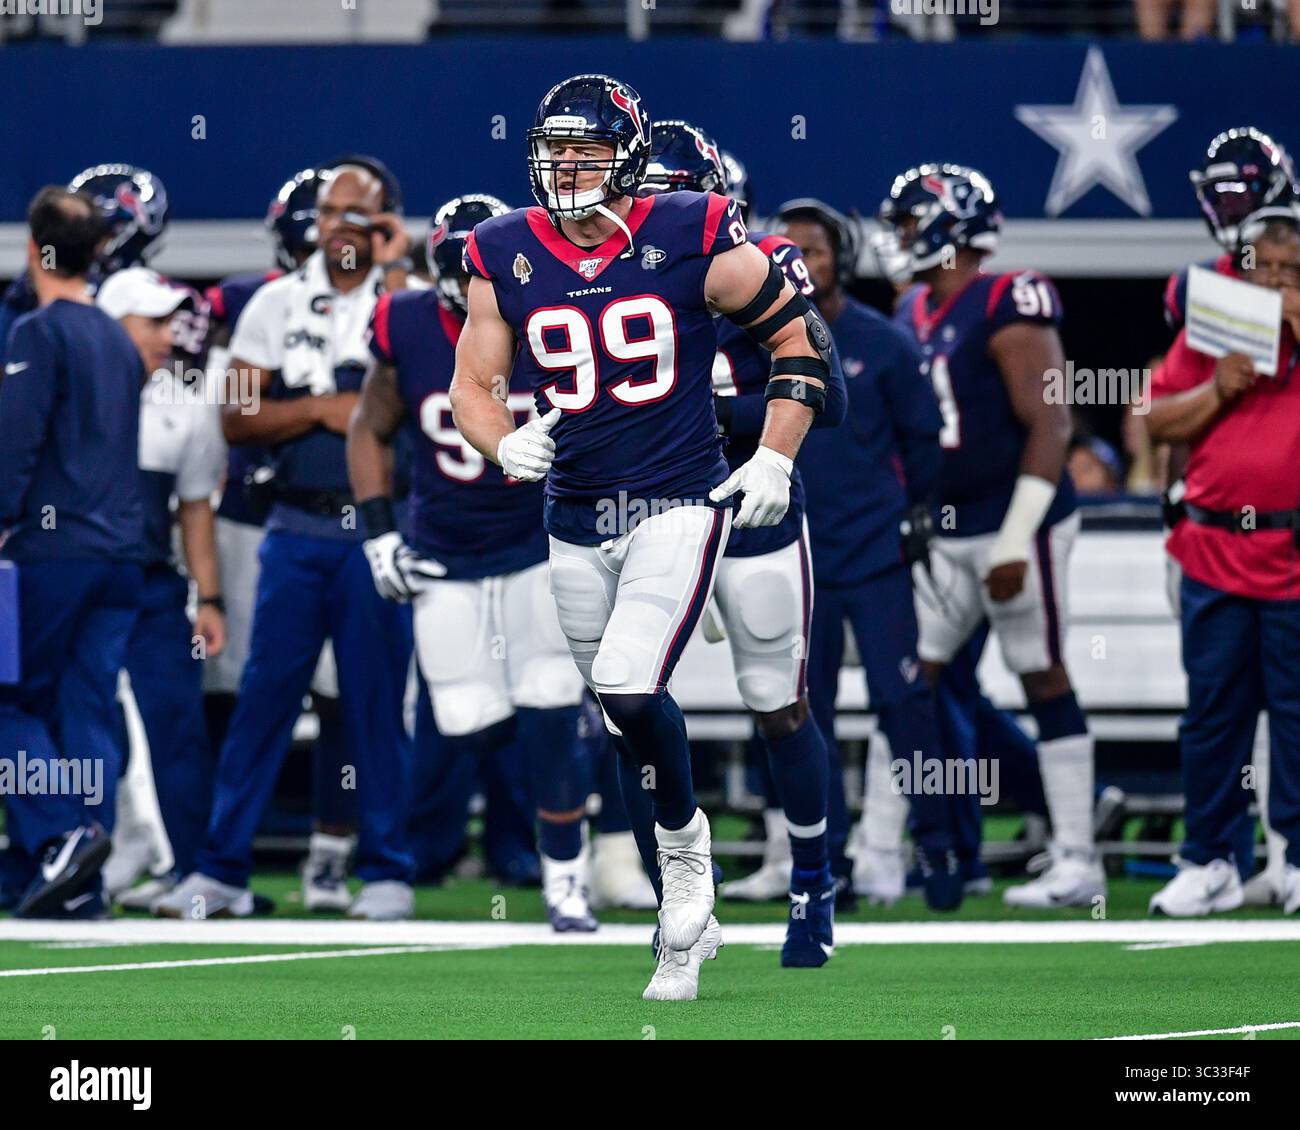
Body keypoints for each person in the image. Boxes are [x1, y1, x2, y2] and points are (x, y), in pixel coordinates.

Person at [450, 74, 831, 999]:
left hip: (678, 499)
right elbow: (472, 386)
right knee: (623, 720)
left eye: (584, 150)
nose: (565, 167)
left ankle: (703, 866)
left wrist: (775, 456)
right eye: (554, 149)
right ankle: (677, 922)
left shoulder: (693, 229)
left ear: (626, 155)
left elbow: (798, 344)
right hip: (575, 517)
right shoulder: (502, 247)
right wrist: (505, 440)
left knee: (643, 680)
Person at [155, 162, 416, 921]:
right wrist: (329, 408)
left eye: (358, 212)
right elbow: (236, 416)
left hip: (375, 530)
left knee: (374, 704)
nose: (339, 223)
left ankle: (388, 869)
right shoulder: (273, 300)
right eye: (331, 209)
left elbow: (427, 399)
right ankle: (222, 868)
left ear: (386, 222)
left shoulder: (407, 303)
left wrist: (397, 271)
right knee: (264, 699)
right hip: (295, 526)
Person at [349, 192, 599, 932]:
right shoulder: (408, 324)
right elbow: (370, 427)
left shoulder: (553, 314)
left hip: (536, 541)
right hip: (446, 550)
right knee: (464, 721)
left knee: (550, 707)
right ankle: (431, 853)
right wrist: (377, 533)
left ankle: (566, 878)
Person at [642, 124, 849, 959]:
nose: (649, 213)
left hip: (749, 505)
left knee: (776, 701)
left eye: (670, 196)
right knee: (632, 705)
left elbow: (829, 399)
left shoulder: (757, 265)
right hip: (651, 512)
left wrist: (717, 414)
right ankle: (675, 899)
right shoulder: (587, 273)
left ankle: (810, 880)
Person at [878, 163, 1104, 908]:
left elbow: (1052, 422)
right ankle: (877, 850)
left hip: (1018, 518)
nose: (902, 238)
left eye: (912, 223)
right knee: (911, 682)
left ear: (950, 226)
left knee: (1041, 672)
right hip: (945, 530)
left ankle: (1078, 857)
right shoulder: (913, 308)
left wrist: (1014, 538)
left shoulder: (1010, 297)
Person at [771, 196, 968, 912]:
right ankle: (822, 861)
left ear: (841, 259)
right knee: (802, 710)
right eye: (787, 249)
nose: (800, 262)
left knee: (903, 702)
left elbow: (924, 438)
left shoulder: (882, 341)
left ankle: (940, 844)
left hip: (875, 551)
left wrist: (918, 512)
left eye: (815, 250)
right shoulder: (756, 339)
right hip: (794, 555)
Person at [1145, 216, 1300, 917]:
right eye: (1262, 265)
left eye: (1289, 269)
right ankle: (1210, 859)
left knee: (1296, 716)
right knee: (1213, 715)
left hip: (1293, 556)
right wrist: (1219, 388)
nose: (1272, 279)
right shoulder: (1219, 321)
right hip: (1213, 550)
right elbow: (1156, 421)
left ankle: (1293, 858)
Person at [0, 187, 146, 917]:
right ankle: (80, 874)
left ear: (35, 250)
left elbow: (15, 447)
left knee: (7, 701)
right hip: (120, 553)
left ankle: (58, 836)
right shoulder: (118, 336)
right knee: (86, 710)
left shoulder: (36, 331)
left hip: (53, 552)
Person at [88, 268, 227, 909]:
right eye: (150, 322)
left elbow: (193, 508)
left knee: (175, 721)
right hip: (72, 582)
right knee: (80, 722)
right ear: (110, 326)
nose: (166, 335)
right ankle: (80, 854)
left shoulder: (185, 401)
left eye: (169, 321)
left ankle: (189, 864)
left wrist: (210, 598)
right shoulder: (65, 391)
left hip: (150, 584)